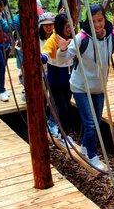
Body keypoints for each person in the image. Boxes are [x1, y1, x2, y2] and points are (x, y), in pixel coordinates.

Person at [57, 4, 114, 171]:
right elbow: (63, 60)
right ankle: (92, 155)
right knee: (91, 124)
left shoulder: (112, 37)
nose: (97, 24)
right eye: (93, 21)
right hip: (80, 87)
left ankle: (84, 146)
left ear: (105, 19)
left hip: (99, 88)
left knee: (94, 121)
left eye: (100, 20)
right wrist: (62, 50)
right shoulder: (81, 38)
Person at [41, 13, 73, 142]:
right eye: (66, 25)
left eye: (71, 25)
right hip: (55, 77)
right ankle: (63, 134)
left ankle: (62, 131)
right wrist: (43, 58)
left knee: (66, 105)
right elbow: (46, 52)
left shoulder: (71, 38)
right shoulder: (53, 40)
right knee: (62, 107)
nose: (69, 28)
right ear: (60, 26)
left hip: (68, 77)